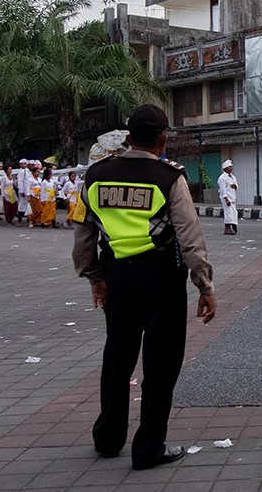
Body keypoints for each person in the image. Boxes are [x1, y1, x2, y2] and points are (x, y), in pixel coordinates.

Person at [73, 104, 216, 470]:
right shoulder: (168, 177)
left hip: (116, 275)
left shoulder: (95, 176)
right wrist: (205, 285)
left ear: (127, 137)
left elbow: (84, 232)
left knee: (117, 358)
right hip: (161, 277)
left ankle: (107, 437)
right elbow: (189, 235)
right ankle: (148, 447)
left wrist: (94, 278)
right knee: (161, 363)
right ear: (163, 138)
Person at [217, 161, 239, 235]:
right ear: (225, 168)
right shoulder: (222, 178)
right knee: (228, 213)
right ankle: (227, 229)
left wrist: (234, 186)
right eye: (229, 167)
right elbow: (222, 190)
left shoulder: (232, 177)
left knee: (234, 213)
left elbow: (236, 186)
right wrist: (226, 199)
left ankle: (233, 226)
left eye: (231, 167)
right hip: (227, 198)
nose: (231, 168)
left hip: (233, 197)